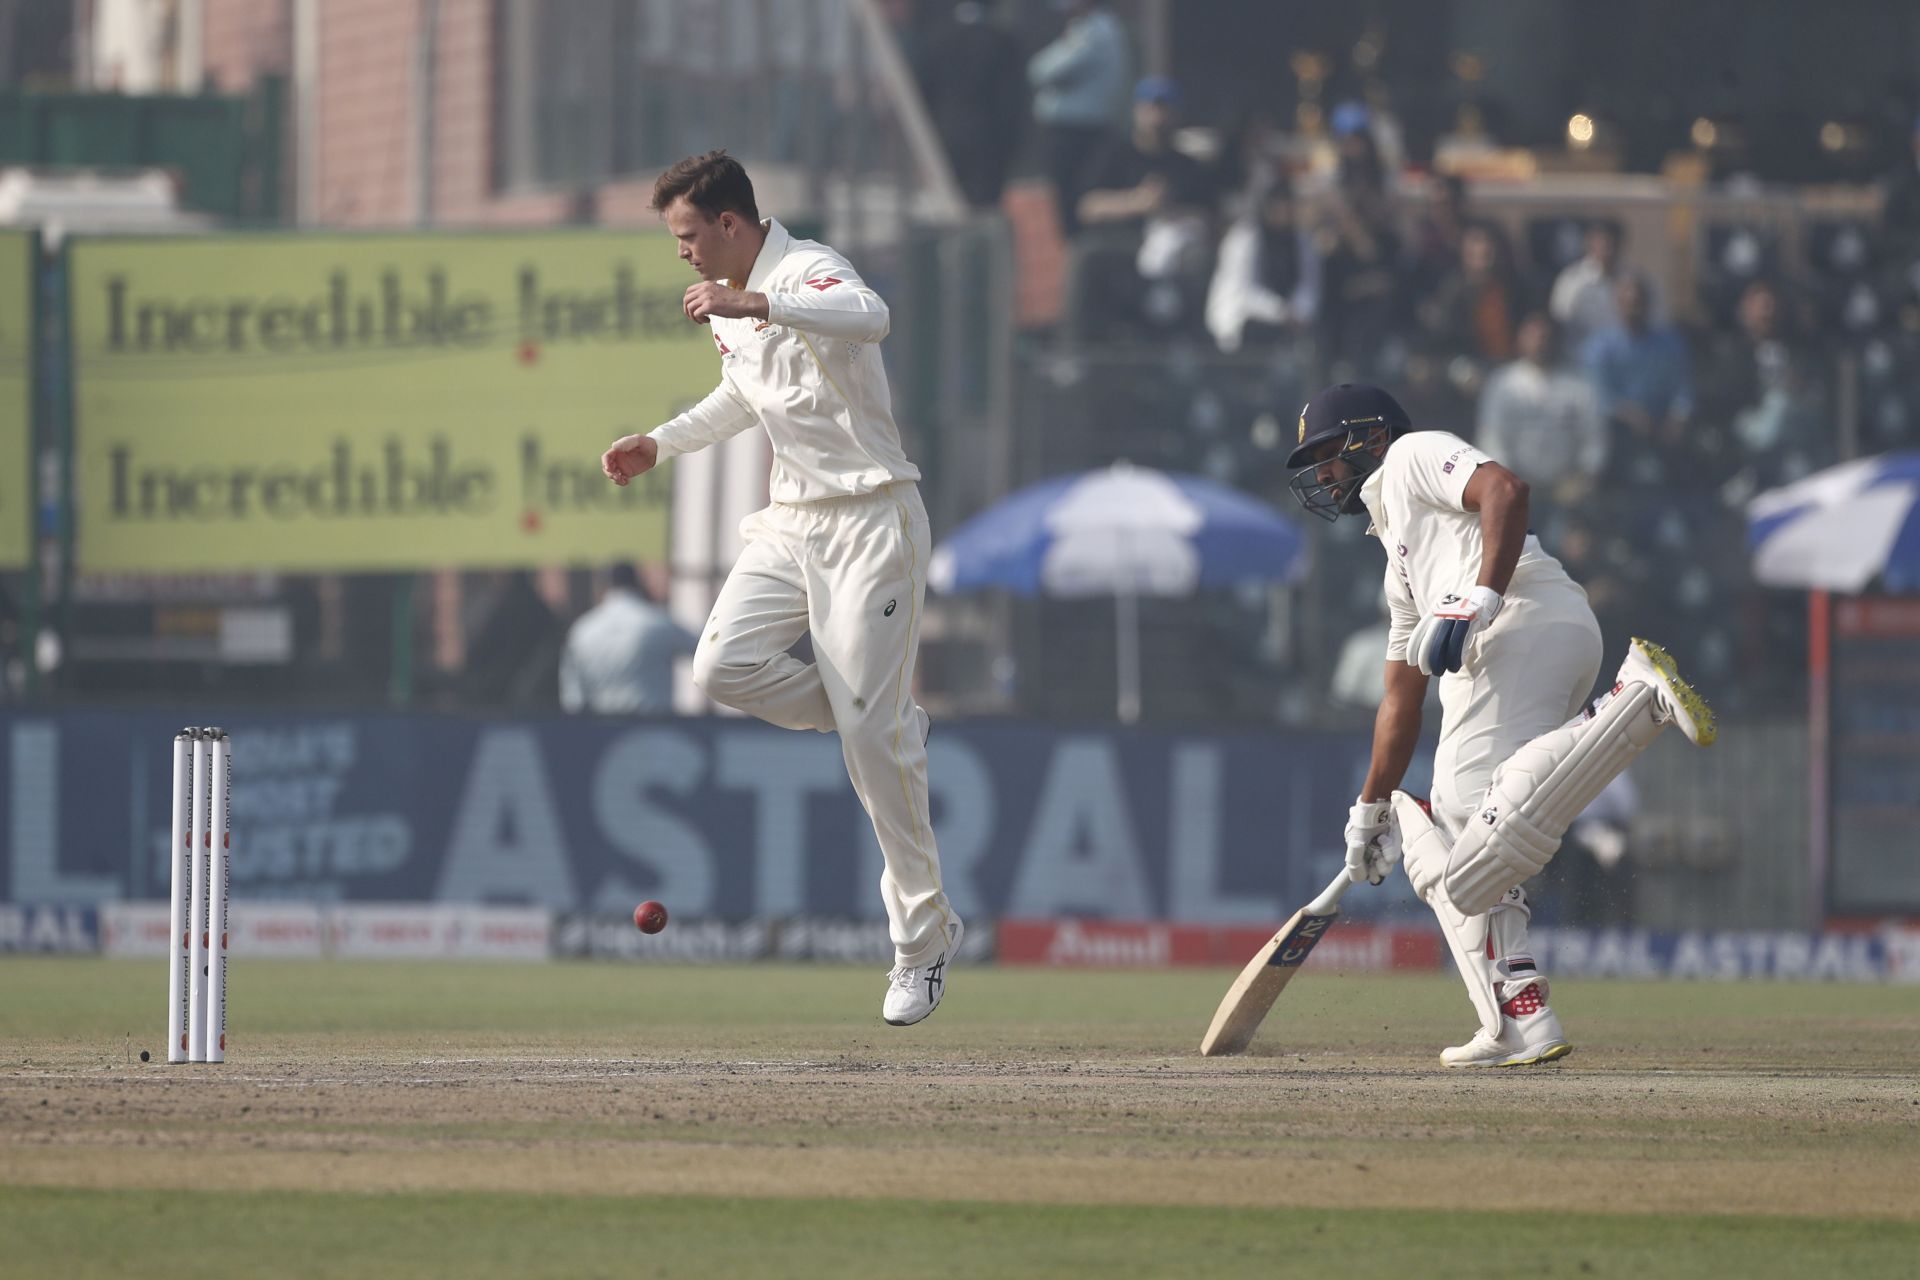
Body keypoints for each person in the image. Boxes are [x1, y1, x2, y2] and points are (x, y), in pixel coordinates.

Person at [600, 152, 964, 1026]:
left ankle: (921, 943)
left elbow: (869, 316)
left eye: (689, 235)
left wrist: (758, 300)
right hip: (793, 521)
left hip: (874, 520)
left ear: (731, 223)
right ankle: (875, 714)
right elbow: (742, 394)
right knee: (721, 668)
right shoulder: (726, 302)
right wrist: (661, 441)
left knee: (872, 753)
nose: (682, 253)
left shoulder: (803, 271)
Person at [1282, 382, 1715, 1067]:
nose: (1324, 471)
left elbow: (1506, 490)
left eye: (1329, 451)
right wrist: (1369, 808)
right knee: (1463, 831)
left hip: (1521, 620)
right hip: (1529, 639)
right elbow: (1400, 698)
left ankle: (1633, 699)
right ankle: (1518, 1015)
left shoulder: (1413, 454)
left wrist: (1480, 594)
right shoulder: (1398, 566)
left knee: (1465, 847)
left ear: (1370, 435)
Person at [1475, 311, 1606, 530]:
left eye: (1545, 337)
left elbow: (1595, 440)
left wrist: (1584, 477)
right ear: (1520, 339)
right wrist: (1512, 482)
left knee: (1575, 546)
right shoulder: (1503, 384)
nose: (1539, 343)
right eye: (1533, 336)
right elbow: (1491, 440)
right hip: (1513, 491)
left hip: (1568, 494)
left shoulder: (1579, 386)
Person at [1026, 0, 1131, 236]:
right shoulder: (1091, 29)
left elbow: (1043, 70)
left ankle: (1079, 258)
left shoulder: (1094, 32)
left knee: (1075, 204)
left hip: (1076, 132)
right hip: (1076, 129)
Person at [559, 564, 696, 715]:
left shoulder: (582, 630)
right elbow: (705, 650)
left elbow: (573, 699)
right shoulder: (656, 622)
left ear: (601, 587)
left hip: (600, 729)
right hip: (652, 726)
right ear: (638, 584)